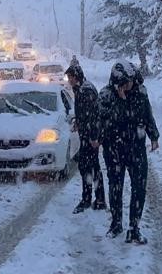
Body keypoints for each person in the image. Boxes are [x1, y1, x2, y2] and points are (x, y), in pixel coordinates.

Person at [96, 62, 160, 244]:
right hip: (114, 149)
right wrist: (120, 102)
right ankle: (116, 223)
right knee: (115, 186)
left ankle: (134, 227)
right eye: (124, 83)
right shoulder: (106, 96)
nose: (128, 86)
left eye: (130, 82)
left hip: (136, 147)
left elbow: (148, 115)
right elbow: (102, 123)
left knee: (139, 188)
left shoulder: (140, 93)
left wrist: (153, 136)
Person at [67, 64, 106, 214]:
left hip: (90, 137)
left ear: (76, 77)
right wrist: (78, 122)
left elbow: (94, 115)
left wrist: (94, 137)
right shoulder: (80, 89)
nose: (68, 80)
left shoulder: (86, 90)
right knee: (89, 166)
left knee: (88, 166)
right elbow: (84, 113)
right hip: (86, 134)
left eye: (70, 77)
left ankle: (89, 199)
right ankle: (97, 198)